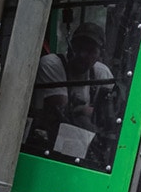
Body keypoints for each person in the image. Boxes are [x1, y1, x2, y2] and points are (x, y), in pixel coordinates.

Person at [29, 21, 118, 163]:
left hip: (89, 143)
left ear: (99, 55)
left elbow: (114, 111)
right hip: (48, 142)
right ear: (70, 45)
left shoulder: (102, 72)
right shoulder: (52, 64)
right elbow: (61, 111)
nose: (82, 55)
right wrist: (91, 112)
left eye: (90, 51)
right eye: (79, 47)